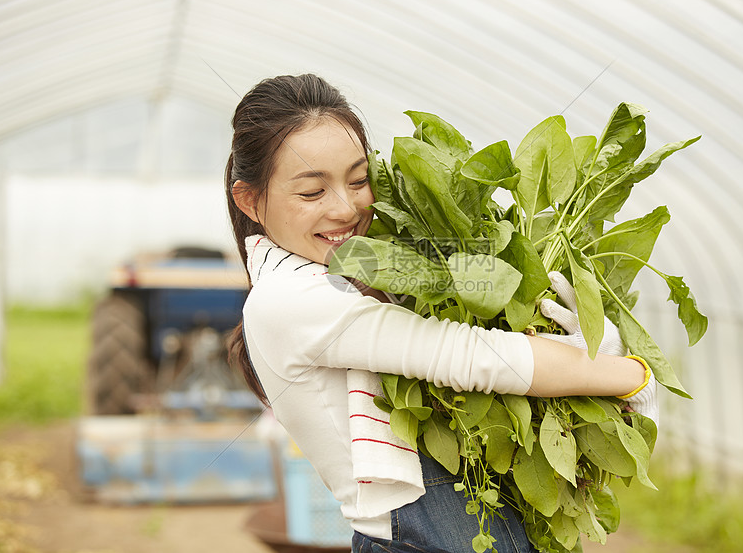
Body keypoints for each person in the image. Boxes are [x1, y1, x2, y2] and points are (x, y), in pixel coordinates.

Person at [224, 73, 657, 553]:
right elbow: (468, 354)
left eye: (359, 180)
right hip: (421, 537)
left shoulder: (358, 273)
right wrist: (627, 372)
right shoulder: (286, 299)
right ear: (251, 200)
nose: (346, 207)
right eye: (312, 192)